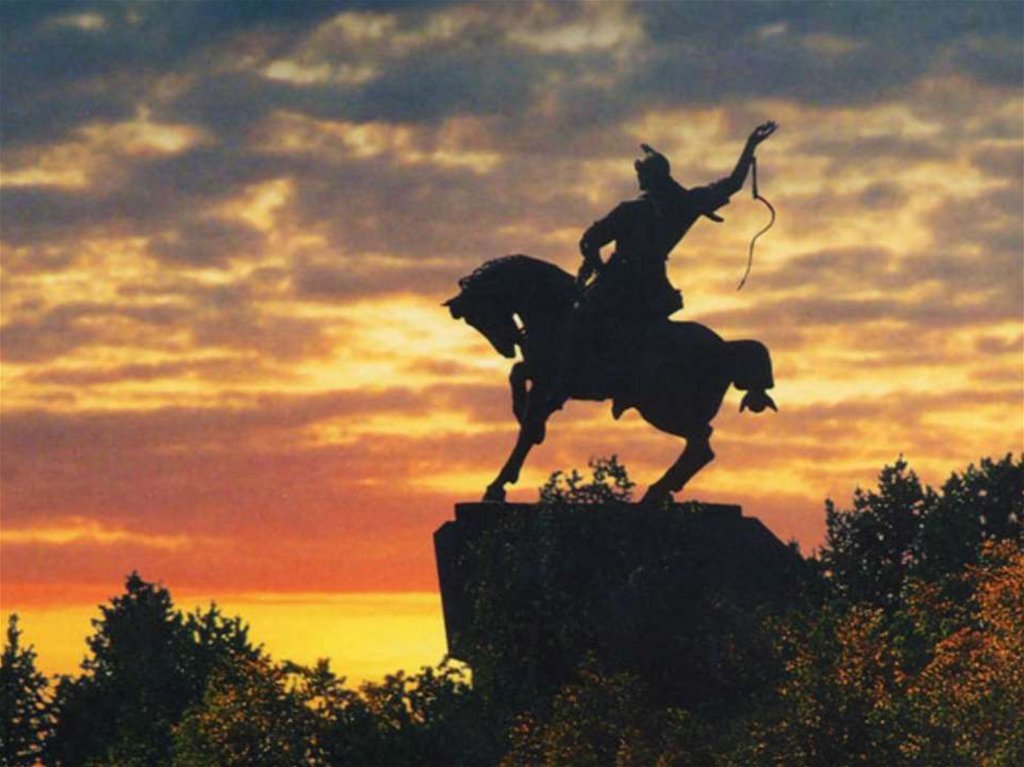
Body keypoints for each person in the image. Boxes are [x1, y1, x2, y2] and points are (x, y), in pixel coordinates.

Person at [547, 121, 778, 408]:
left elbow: (588, 241)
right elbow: (732, 183)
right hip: (655, 288)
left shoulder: (630, 210)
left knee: (577, 320)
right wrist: (750, 146)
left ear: (648, 178)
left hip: (618, 286)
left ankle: (566, 381)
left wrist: (600, 269)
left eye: (641, 175)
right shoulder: (686, 204)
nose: (639, 180)